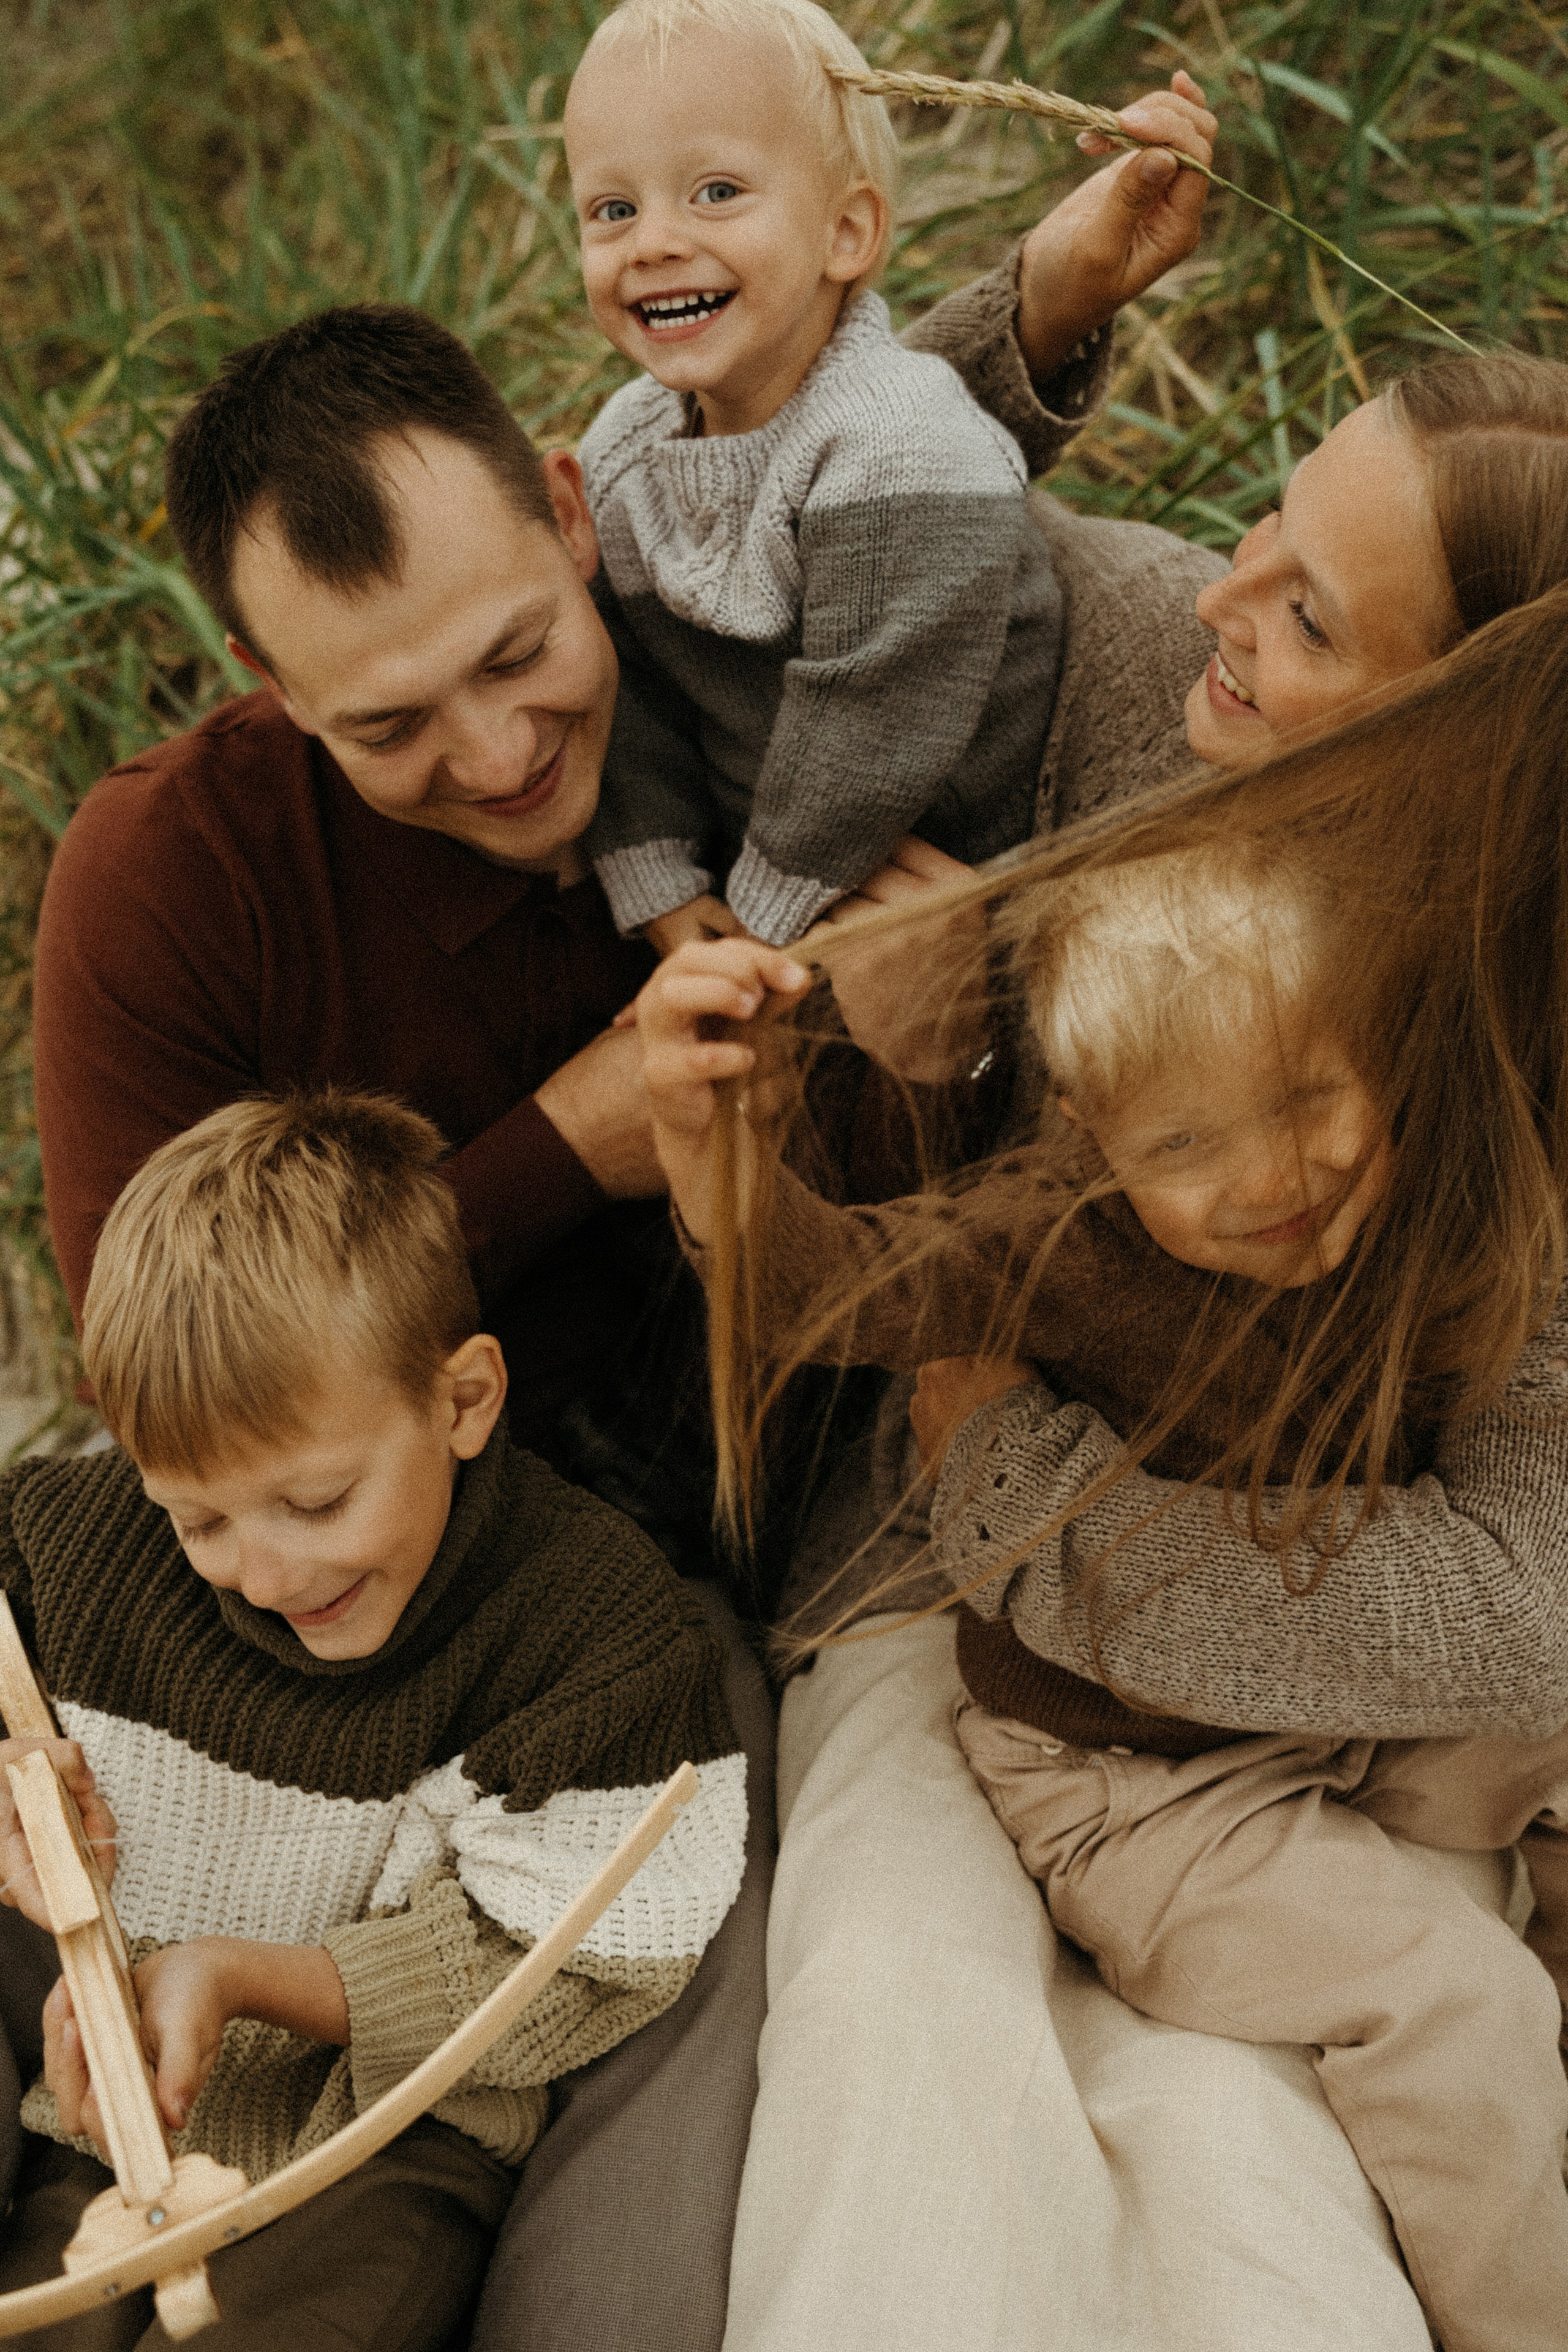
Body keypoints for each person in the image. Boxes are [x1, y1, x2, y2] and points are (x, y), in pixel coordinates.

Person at [20, 103, 1221, 2339]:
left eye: (514, 657)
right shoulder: (172, 875)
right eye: (388, 727)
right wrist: (573, 1142)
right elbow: (156, 1379)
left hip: (704, 1568)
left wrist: (1053, 313)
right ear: (280, 706)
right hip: (317, 1569)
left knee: (692, 2056)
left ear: (581, 515)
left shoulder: (714, 657)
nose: (492, 755)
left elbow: (840, 455)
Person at [710, 344, 1568, 2352]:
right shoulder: (1122, 658)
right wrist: (1041, 325)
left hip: (1308, 1671)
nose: (1219, 596)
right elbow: (828, 496)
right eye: (1267, 518)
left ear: (1468, 733)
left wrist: (1008, 1479)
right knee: (914, 2063)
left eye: (1306, 609)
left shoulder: (1529, 1042)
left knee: (1298, 2150)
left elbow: (1530, 1599)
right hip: (961, 1631)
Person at [0, 1090, 747, 2351]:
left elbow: (574, 1960)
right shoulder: (70, 1547)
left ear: (462, 1402)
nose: (269, 1573)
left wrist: (244, 1979)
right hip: (99, 2112)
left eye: (318, 1500)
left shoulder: (591, 1635)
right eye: (201, 1520)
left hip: (387, 2151)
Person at [565, 0, 1059, 952]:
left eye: (715, 193)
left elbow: (865, 738)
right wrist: (662, 889)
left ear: (847, 233)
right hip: (788, 873)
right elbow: (627, 696)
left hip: (998, 848)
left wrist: (754, 932)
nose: (654, 242)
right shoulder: (623, 455)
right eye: (613, 209)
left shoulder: (900, 441)